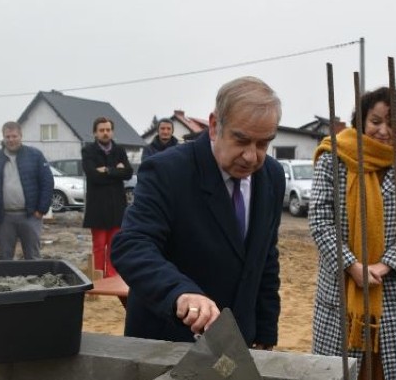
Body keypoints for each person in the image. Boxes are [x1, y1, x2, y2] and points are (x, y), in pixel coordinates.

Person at [112, 76, 285, 347]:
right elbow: (132, 246)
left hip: (238, 343)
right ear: (215, 126)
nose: (251, 156)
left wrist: (264, 332)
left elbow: (264, 260)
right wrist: (181, 293)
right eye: (241, 140)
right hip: (169, 341)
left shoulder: (272, 176)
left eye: (263, 144)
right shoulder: (167, 171)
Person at [309, 87, 396, 380]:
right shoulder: (334, 159)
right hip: (342, 288)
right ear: (361, 120)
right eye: (375, 121)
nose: (383, 130)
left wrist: (385, 266)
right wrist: (353, 266)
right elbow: (320, 220)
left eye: (392, 123)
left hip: (389, 289)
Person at [0, 121, 54, 260]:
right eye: (8, 137)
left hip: (30, 216)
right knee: (4, 258)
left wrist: (41, 209)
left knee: (33, 256)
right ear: (3, 137)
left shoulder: (35, 156)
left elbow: (47, 182)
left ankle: (34, 281)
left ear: (21, 135)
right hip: (3, 219)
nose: (11, 140)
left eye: (14, 136)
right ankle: (7, 281)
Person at [81, 117, 133, 277]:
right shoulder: (88, 151)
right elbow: (93, 175)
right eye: (102, 130)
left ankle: (112, 276)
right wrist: (116, 171)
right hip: (97, 207)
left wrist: (107, 170)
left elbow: (128, 173)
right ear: (95, 133)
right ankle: (98, 277)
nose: (105, 133)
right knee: (99, 245)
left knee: (114, 246)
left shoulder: (119, 150)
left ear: (112, 131)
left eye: (108, 130)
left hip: (117, 207)